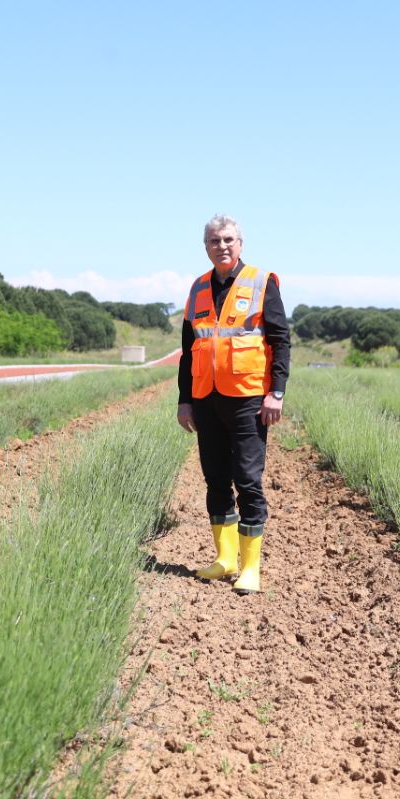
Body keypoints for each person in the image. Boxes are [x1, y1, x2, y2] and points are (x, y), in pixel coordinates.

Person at [177, 214, 290, 594]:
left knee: (247, 479)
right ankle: (225, 560)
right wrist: (185, 401)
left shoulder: (261, 282)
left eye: (228, 239)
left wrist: (276, 392)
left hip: (247, 398)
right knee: (215, 478)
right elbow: (188, 351)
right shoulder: (197, 289)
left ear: (240, 243)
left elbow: (280, 339)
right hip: (206, 398)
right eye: (213, 241)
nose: (221, 246)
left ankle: (250, 568)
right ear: (205, 247)